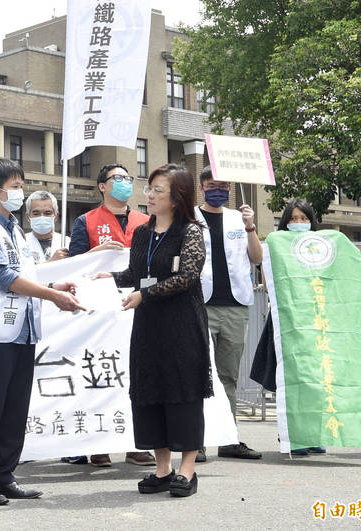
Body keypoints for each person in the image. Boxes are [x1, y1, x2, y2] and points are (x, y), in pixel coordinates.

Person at [0, 157, 83, 505]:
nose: (19, 192)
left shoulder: (13, 228)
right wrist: (52, 295)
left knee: (14, 407)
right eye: (14, 186)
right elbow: (5, 277)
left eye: (20, 185)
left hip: (22, 330)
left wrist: (56, 284)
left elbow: (27, 272)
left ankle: (3, 475)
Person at [97, 163, 212, 497]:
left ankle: (187, 471)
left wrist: (143, 294)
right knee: (151, 392)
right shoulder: (143, 232)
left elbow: (187, 277)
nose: (149, 195)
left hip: (182, 324)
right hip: (148, 326)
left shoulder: (191, 231)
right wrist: (111, 279)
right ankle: (162, 470)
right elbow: (136, 272)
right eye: (149, 189)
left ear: (177, 197)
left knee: (184, 393)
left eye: (157, 190)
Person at [67, 162, 153, 467]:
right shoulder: (86, 221)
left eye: (127, 178)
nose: (124, 183)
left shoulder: (147, 219)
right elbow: (73, 266)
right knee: (101, 373)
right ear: (102, 186)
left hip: (138, 306)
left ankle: (136, 443)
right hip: (100, 311)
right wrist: (96, 252)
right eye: (116, 178)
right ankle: (99, 444)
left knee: (137, 375)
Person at [194, 166, 262, 461]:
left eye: (223, 185)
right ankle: (195, 441)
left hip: (235, 305)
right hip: (200, 305)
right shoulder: (190, 217)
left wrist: (251, 227)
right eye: (212, 185)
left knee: (228, 376)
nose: (218, 189)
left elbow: (256, 258)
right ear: (202, 188)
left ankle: (229, 439)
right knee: (198, 375)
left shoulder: (240, 217)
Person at [249, 199, 325, 456]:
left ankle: (314, 434)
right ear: (285, 222)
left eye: (304, 219)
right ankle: (291, 434)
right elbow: (267, 282)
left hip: (315, 320)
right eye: (293, 218)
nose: (299, 223)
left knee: (315, 378)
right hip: (286, 319)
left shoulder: (321, 246)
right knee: (290, 379)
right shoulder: (276, 246)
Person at [24, 191, 69, 263]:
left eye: (47, 213)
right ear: (28, 217)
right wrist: (51, 262)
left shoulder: (67, 243)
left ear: (56, 216)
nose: (42, 217)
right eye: (36, 213)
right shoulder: (20, 242)